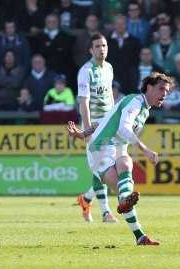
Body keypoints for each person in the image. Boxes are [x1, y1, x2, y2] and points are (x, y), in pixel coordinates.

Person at [67, 72, 174, 246]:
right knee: (124, 174)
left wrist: (83, 133)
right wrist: (146, 150)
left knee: (124, 175)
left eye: (167, 91)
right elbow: (124, 129)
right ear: (149, 87)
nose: (165, 94)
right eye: (161, 89)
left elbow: (105, 119)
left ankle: (140, 236)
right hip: (100, 149)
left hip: (116, 148)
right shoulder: (135, 102)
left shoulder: (144, 109)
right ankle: (134, 225)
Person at [77, 33, 117, 223]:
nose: (102, 49)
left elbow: (109, 95)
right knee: (100, 170)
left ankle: (85, 199)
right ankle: (106, 212)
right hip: (94, 127)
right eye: (98, 46)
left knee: (108, 170)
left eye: (104, 45)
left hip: (109, 125)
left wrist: (115, 119)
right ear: (91, 50)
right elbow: (83, 102)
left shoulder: (109, 68)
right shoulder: (86, 71)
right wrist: (87, 129)